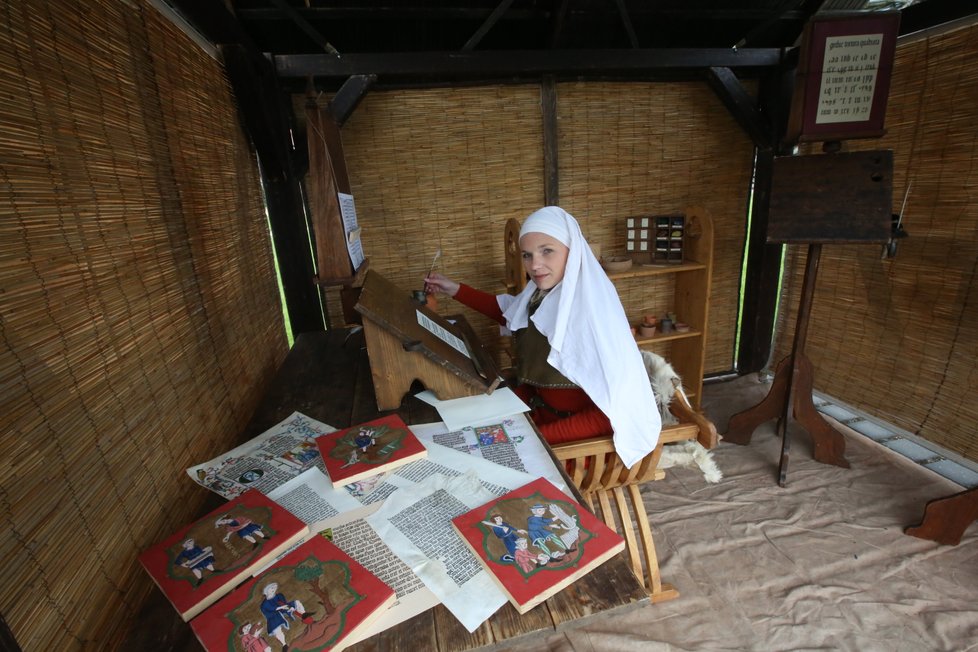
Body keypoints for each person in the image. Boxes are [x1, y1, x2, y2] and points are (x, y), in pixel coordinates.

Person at [424, 206, 660, 467]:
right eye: (527, 255)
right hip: (541, 419)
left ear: (573, 251)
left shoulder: (593, 315)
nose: (534, 265)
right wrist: (453, 289)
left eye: (547, 251)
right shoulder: (544, 295)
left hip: (576, 449)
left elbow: (608, 416)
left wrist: (533, 436)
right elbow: (514, 315)